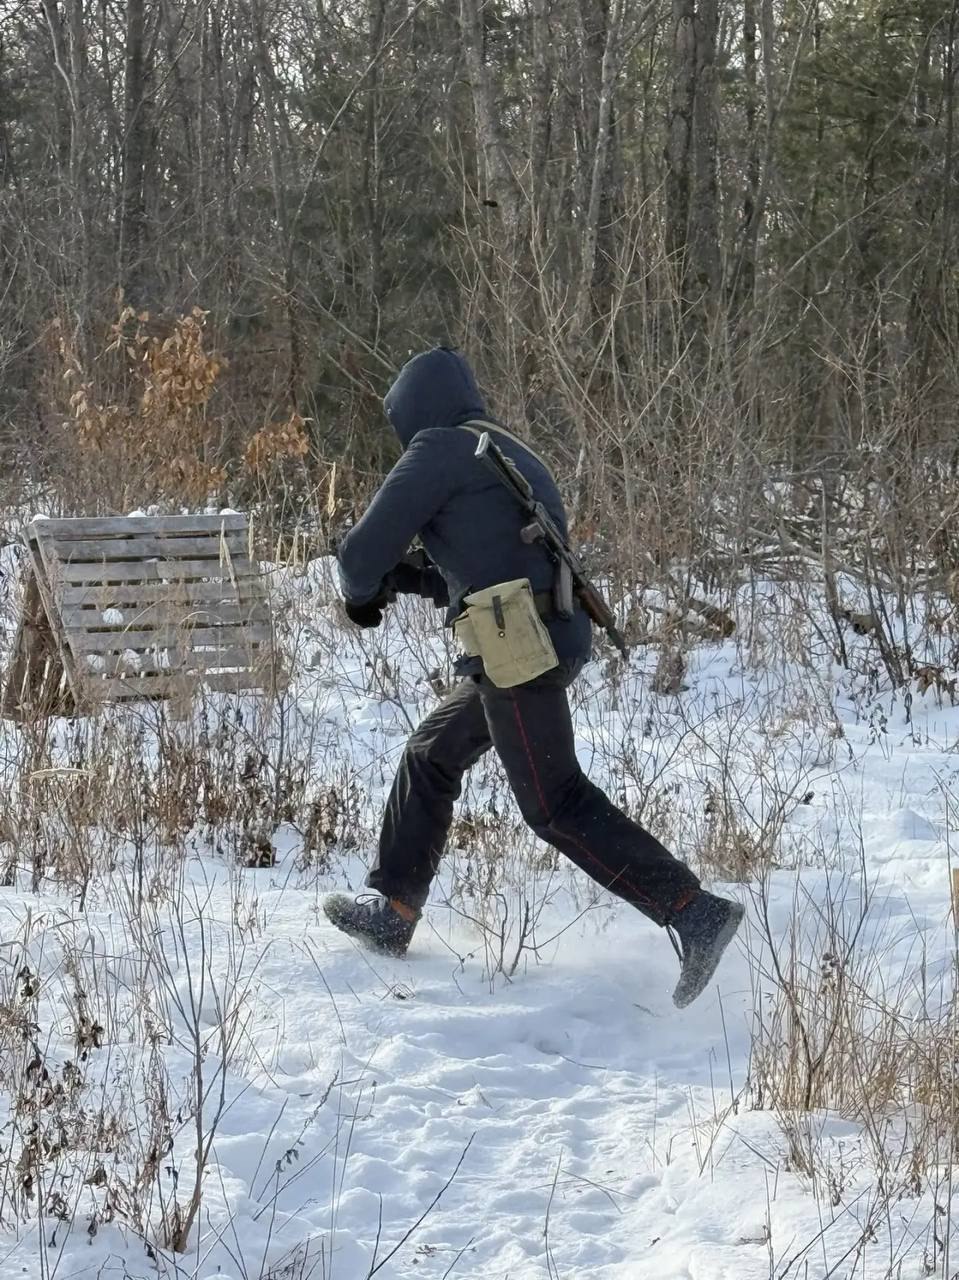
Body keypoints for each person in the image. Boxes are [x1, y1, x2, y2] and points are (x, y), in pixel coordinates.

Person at [324, 347, 743, 1007]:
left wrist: (362, 587)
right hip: (539, 630)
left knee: (554, 802)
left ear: (410, 409)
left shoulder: (437, 448)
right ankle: (393, 909)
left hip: (516, 644)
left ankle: (693, 910)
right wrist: (399, 579)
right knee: (431, 753)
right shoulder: (504, 451)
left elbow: (357, 560)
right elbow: (477, 564)